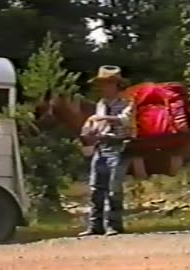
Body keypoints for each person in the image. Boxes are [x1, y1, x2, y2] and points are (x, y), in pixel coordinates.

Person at [79, 65, 135, 236]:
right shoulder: (101, 104)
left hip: (119, 146)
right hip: (101, 147)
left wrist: (103, 118)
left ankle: (114, 225)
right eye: (100, 84)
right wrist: (90, 129)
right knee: (96, 188)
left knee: (113, 188)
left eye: (105, 84)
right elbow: (98, 124)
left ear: (115, 84)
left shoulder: (128, 102)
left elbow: (126, 120)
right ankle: (95, 226)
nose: (101, 88)